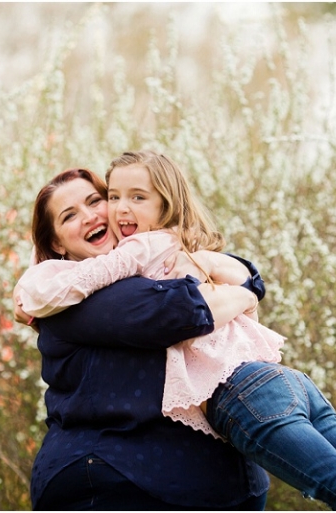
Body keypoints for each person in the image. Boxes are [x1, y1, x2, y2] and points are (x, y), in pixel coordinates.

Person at [14, 151, 336, 511]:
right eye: (77, 211)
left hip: (242, 392)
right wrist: (248, 284)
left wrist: (34, 294)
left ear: (165, 203)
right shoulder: (167, 255)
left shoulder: (141, 255)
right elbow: (207, 291)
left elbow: (169, 311)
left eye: (100, 200)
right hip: (281, 381)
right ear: (55, 240)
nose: (106, 212)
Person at [16, 167, 271, 510]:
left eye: (96, 201)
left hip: (186, 484)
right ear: (57, 243)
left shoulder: (139, 267)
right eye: (70, 215)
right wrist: (248, 291)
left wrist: (237, 274)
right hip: (110, 477)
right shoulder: (79, 292)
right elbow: (179, 310)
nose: (91, 216)